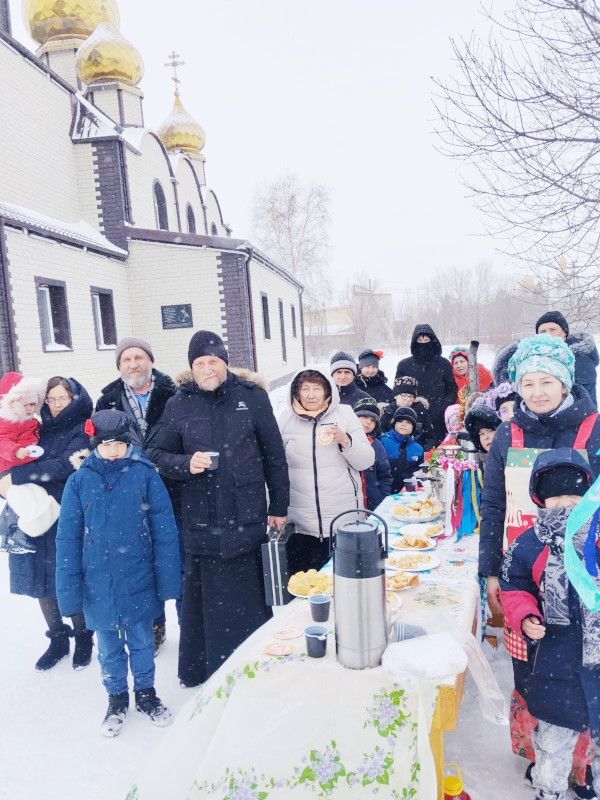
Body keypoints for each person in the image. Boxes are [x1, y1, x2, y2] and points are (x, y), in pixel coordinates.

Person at [479, 334, 600, 794]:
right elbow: (493, 504)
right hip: (523, 575)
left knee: (587, 673)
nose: (536, 391)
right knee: (533, 672)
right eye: (527, 383)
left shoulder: (594, 427)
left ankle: (581, 766)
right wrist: (491, 570)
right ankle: (542, 757)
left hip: (584, 579)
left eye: (546, 381)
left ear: (565, 382)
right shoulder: (508, 433)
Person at [150, 330, 290, 688]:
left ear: (225, 363)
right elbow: (156, 453)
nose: (207, 369)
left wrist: (279, 504)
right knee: (207, 601)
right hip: (202, 519)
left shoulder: (252, 397)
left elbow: (274, 455)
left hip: (246, 516)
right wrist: (185, 463)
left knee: (248, 597)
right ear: (192, 368)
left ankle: (253, 668)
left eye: (213, 361)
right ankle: (208, 671)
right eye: (199, 363)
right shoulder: (179, 403)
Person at [56, 410, 181, 737]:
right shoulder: (79, 481)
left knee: (142, 642)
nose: (113, 451)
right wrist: (69, 591)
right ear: (95, 445)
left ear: (129, 443)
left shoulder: (145, 475)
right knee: (109, 647)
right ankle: (116, 699)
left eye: (119, 444)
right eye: (106, 445)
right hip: (97, 582)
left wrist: (167, 579)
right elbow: (67, 538)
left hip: (139, 577)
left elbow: (164, 530)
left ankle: (146, 694)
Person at [499, 449, 598, 800]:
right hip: (555, 660)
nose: (566, 506)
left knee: (594, 733)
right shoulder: (530, 542)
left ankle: (587, 779)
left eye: (574, 498)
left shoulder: (596, 537)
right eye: (557, 499)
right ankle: (549, 788)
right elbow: (513, 585)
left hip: (597, 661)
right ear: (541, 500)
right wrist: (526, 616)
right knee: (554, 738)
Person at [0, 377, 94, 671]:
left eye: (62, 398)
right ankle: (58, 638)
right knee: (39, 580)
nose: (55, 405)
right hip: (32, 514)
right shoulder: (36, 426)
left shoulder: (83, 428)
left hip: (66, 514)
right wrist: (7, 482)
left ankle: (83, 636)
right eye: (51, 399)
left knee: (69, 578)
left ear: (74, 398)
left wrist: (16, 477)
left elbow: (66, 465)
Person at [95, 337, 178, 653]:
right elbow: (101, 447)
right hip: (129, 491)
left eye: (139, 357)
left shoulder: (174, 394)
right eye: (126, 359)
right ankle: (154, 625)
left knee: (171, 554)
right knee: (141, 559)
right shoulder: (107, 400)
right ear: (119, 365)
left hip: (173, 486)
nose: (133, 364)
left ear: (151, 361)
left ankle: (187, 624)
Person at [278, 367, 374, 571]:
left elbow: (366, 461)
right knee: (305, 583)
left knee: (344, 580)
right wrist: (275, 508)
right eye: (305, 389)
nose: (311, 395)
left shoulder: (345, 415)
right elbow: (275, 467)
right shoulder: (286, 420)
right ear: (296, 392)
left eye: (317, 389)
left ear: (327, 391)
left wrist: (346, 441)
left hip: (342, 521)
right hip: (300, 525)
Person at [0, 373, 46, 554]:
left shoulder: (31, 420)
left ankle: (7, 533)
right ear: (13, 404)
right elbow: (2, 441)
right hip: (9, 467)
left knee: (22, 498)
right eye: (24, 405)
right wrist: (15, 450)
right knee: (21, 496)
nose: (29, 408)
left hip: (22, 465)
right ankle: (15, 532)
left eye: (32, 404)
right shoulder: (8, 420)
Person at [395, 325, 457, 443]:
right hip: (413, 418)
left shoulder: (443, 363)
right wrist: (412, 408)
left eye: (426, 339)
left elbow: (452, 389)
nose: (423, 343)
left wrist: (442, 407)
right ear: (414, 342)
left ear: (432, 341)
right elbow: (398, 391)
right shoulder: (404, 365)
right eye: (420, 340)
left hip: (440, 418)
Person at [536, 311, 599, 406]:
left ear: (564, 332)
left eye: (552, 329)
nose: (547, 334)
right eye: (542, 332)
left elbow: (587, 400)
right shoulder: (534, 360)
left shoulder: (580, 358)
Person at [353, 396, 392, 510]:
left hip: (372, 504)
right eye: (365, 417)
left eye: (373, 420)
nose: (368, 422)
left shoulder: (377, 446)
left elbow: (385, 476)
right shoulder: (342, 440)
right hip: (347, 503)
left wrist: (381, 498)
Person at [381, 376, 435, 450]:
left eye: (411, 396)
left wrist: (423, 450)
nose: (408, 399)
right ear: (395, 396)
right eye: (404, 396)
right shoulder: (387, 413)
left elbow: (430, 437)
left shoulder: (421, 413)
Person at [380, 407, 424, 494]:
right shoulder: (382, 442)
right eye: (400, 421)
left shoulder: (418, 449)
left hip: (408, 494)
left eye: (408, 422)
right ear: (394, 424)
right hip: (384, 492)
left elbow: (418, 474)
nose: (403, 424)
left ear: (413, 427)